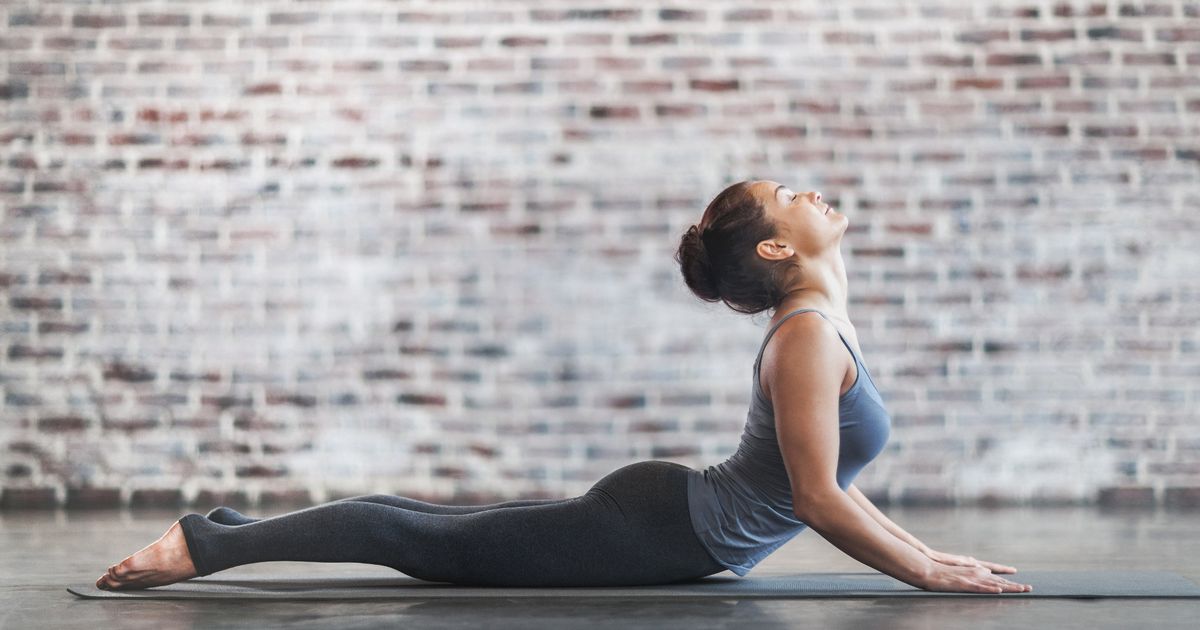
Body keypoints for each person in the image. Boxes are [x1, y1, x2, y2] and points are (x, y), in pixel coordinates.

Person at [96, 180, 1031, 594]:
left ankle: (216, 532)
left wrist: (937, 557)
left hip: (668, 519)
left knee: (433, 529)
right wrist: (921, 573)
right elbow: (819, 500)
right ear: (780, 248)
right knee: (425, 543)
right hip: (662, 526)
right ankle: (203, 548)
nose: (813, 193)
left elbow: (826, 484)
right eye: (791, 194)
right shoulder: (806, 342)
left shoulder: (819, 332)